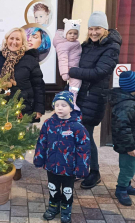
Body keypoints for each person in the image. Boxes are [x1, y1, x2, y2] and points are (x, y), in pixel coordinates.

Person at [68, 11, 121, 189]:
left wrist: (72, 71)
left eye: (97, 28)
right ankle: (81, 169)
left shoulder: (111, 48)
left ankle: (94, 172)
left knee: (86, 135)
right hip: (80, 96)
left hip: (94, 98)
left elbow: (98, 72)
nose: (93, 32)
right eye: (91, 29)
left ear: (104, 29)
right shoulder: (87, 45)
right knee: (77, 134)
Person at [0, 27, 45, 181]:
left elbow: (38, 85)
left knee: (19, 140)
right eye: (12, 38)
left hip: (23, 107)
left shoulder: (30, 60)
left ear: (23, 42)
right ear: (6, 39)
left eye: (18, 39)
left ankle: (17, 167)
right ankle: (3, 162)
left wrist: (39, 108)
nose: (14, 42)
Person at [34, 91, 90, 223]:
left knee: (67, 190)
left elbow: (83, 149)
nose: (59, 108)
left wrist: (82, 168)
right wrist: (39, 158)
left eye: (64, 105)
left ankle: (66, 209)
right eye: (57, 105)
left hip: (69, 168)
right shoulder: (48, 123)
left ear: (71, 107)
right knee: (52, 187)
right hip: (51, 165)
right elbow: (42, 142)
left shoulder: (77, 127)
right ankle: (53, 206)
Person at [110, 71, 135, 206]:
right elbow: (122, 129)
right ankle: (121, 189)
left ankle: (127, 185)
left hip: (131, 142)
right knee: (128, 168)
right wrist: (130, 147)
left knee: (131, 167)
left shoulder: (130, 102)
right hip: (128, 145)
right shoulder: (126, 105)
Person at [53, 18, 82, 110]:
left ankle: (71, 102)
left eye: (75, 33)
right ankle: (72, 103)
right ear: (66, 34)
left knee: (76, 85)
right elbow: (62, 59)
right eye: (70, 33)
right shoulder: (64, 45)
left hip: (75, 68)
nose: (73, 36)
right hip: (71, 69)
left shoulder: (76, 43)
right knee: (75, 86)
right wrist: (64, 73)